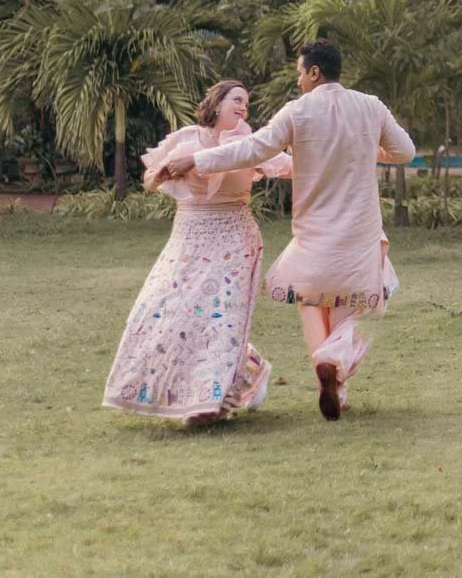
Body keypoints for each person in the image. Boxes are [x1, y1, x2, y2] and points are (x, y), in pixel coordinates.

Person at [159, 38, 414, 421]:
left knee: (311, 302)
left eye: (299, 73)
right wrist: (368, 148)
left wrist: (196, 159)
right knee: (348, 304)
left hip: (314, 232)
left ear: (314, 72)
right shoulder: (370, 106)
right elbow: (405, 152)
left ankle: (329, 374)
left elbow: (252, 149)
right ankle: (335, 367)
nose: (298, 81)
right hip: (360, 231)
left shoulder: (298, 112)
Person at [102, 80, 292, 426]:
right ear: (216, 103)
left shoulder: (250, 143)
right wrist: (162, 174)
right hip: (187, 239)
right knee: (170, 312)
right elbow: (150, 180)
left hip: (235, 238)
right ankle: (249, 370)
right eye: (237, 100)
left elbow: (289, 167)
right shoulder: (186, 138)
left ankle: (209, 404)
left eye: (246, 103)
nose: (243, 107)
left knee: (222, 317)